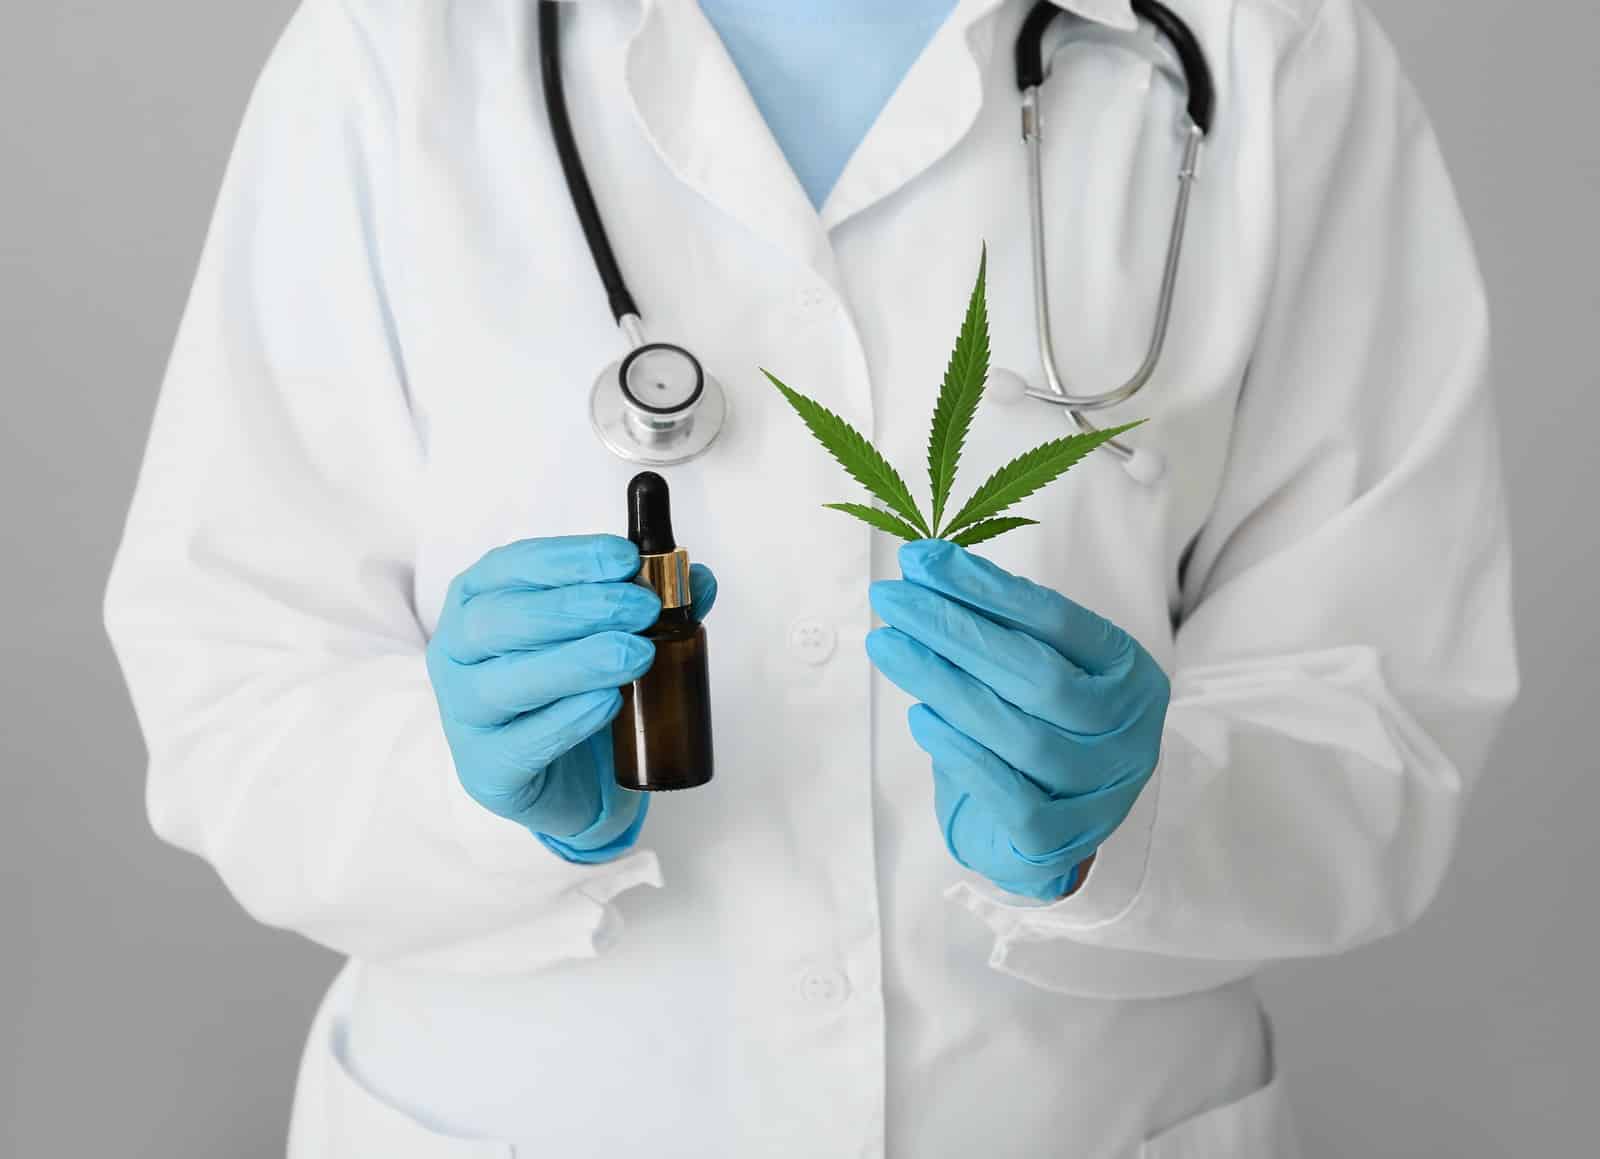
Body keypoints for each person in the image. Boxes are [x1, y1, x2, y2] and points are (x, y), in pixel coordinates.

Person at [104, 0, 1517, 1154]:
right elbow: (230, 683)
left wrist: (1133, 815)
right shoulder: (393, 53)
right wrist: (456, 785)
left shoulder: (1271, 56)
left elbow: (1388, 711)